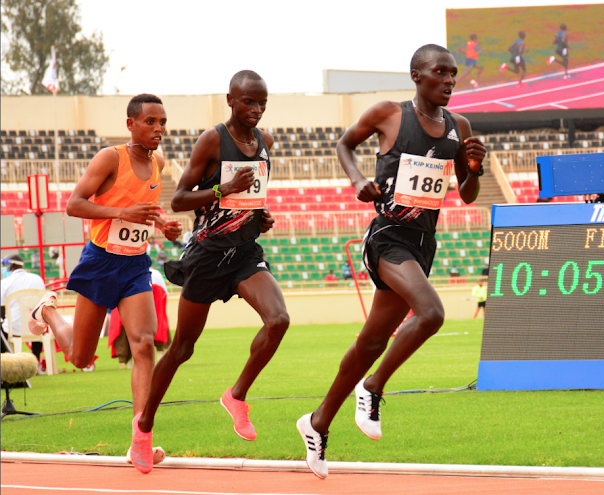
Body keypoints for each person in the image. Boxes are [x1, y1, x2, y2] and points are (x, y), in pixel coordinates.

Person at [296, 44, 486, 479]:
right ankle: (372, 387)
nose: (450, 81)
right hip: (387, 238)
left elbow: (467, 193)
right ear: (417, 75)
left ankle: (317, 423)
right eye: (441, 72)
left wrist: (473, 169)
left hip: (423, 244)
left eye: (454, 74)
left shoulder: (460, 126)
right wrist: (359, 178)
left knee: (370, 342)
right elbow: (344, 144)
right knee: (432, 312)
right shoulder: (389, 114)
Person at [137, 70, 289, 474]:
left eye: (261, 103)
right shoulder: (212, 139)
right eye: (247, 102)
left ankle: (237, 396)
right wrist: (226, 190)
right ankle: (144, 427)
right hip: (206, 255)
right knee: (182, 349)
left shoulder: (265, 143)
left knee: (279, 320)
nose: (255, 110)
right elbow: (180, 200)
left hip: (243, 253)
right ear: (230, 100)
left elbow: (251, 199)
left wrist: (259, 217)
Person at [27, 93, 182, 473]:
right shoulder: (110, 158)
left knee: (144, 344)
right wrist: (120, 211)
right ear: (131, 124)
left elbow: (146, 210)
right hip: (99, 263)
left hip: (134, 266)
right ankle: (47, 310)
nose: (158, 128)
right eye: (150, 122)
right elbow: (75, 204)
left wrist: (163, 224)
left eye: (162, 122)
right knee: (81, 358)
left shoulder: (159, 163)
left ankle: (140, 439)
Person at [1, 255, 47, 372]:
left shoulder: (5, 283)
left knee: (3, 328)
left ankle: (7, 364)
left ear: (11, 266)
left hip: (13, 327)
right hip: (37, 327)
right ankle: (35, 360)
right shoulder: (37, 279)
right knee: (38, 324)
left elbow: (1, 311)